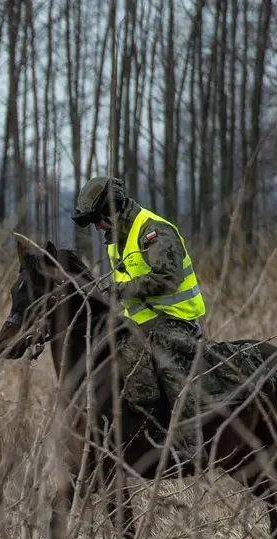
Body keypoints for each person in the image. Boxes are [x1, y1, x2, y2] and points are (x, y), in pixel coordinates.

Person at [70, 175, 210, 465]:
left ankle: (191, 442)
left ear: (113, 209)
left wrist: (119, 290)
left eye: (98, 219)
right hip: (141, 323)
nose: (97, 227)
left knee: (163, 365)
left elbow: (167, 278)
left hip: (175, 319)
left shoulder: (153, 231)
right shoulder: (116, 240)